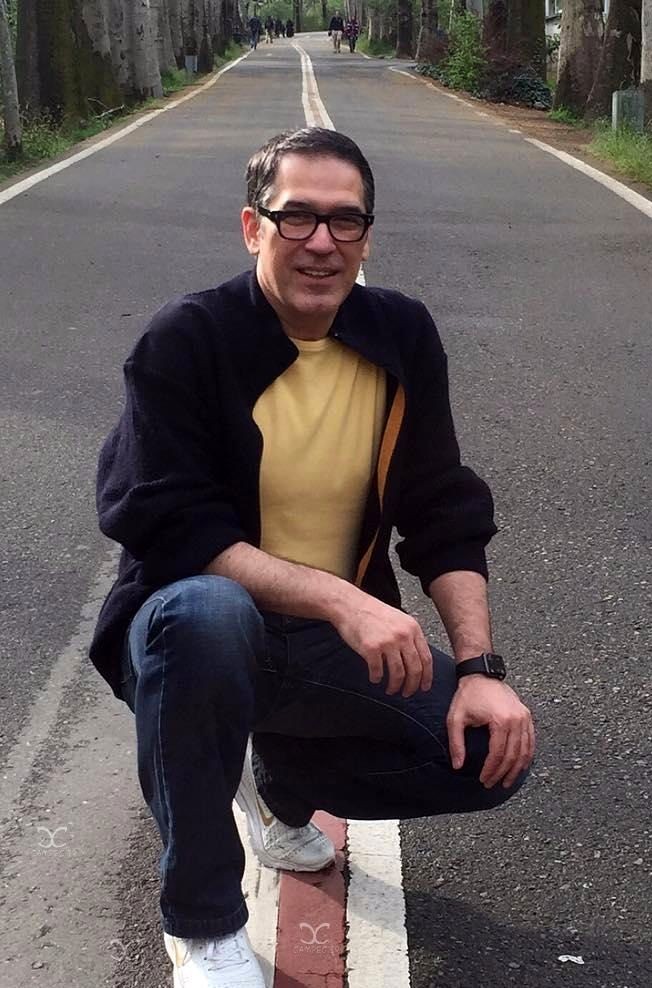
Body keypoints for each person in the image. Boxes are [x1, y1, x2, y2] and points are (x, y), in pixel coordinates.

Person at [91, 127, 535, 988]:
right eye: (296, 217)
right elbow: (165, 523)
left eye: (345, 220)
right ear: (252, 228)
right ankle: (205, 926)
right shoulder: (189, 337)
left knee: (488, 752)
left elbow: (442, 508)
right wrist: (344, 600)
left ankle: (282, 787)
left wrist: (481, 668)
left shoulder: (400, 335)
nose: (322, 243)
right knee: (208, 615)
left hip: (322, 646)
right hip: (191, 630)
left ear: (367, 236)